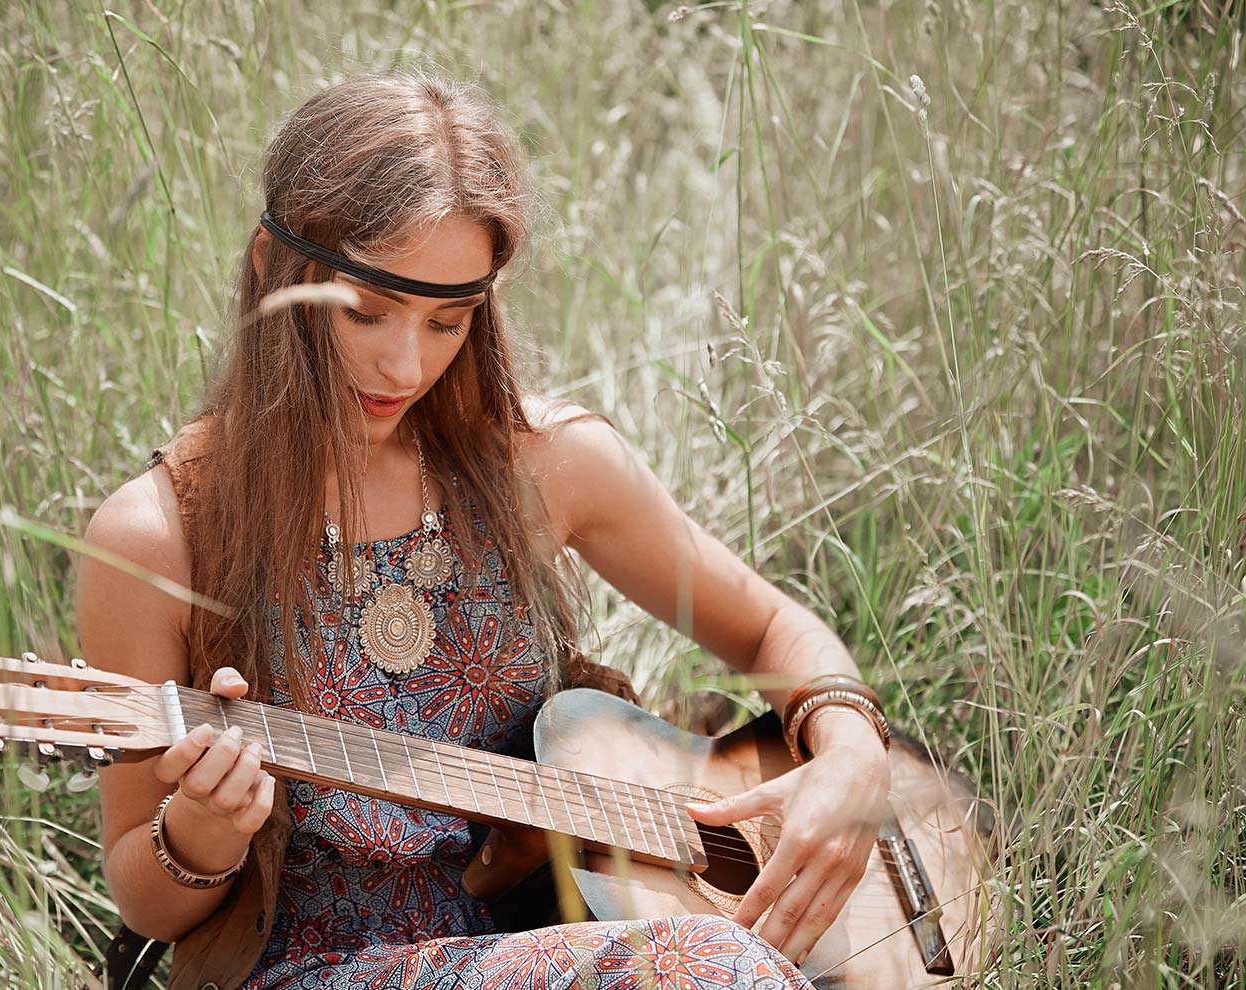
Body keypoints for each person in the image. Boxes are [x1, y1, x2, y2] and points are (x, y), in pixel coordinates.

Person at [76, 71, 892, 990]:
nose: (405, 362)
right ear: (271, 264)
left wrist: (852, 755)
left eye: (449, 321)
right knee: (708, 968)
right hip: (305, 968)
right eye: (366, 312)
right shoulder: (158, 535)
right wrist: (204, 829)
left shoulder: (547, 462)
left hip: (560, 924)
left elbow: (772, 628)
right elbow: (147, 901)